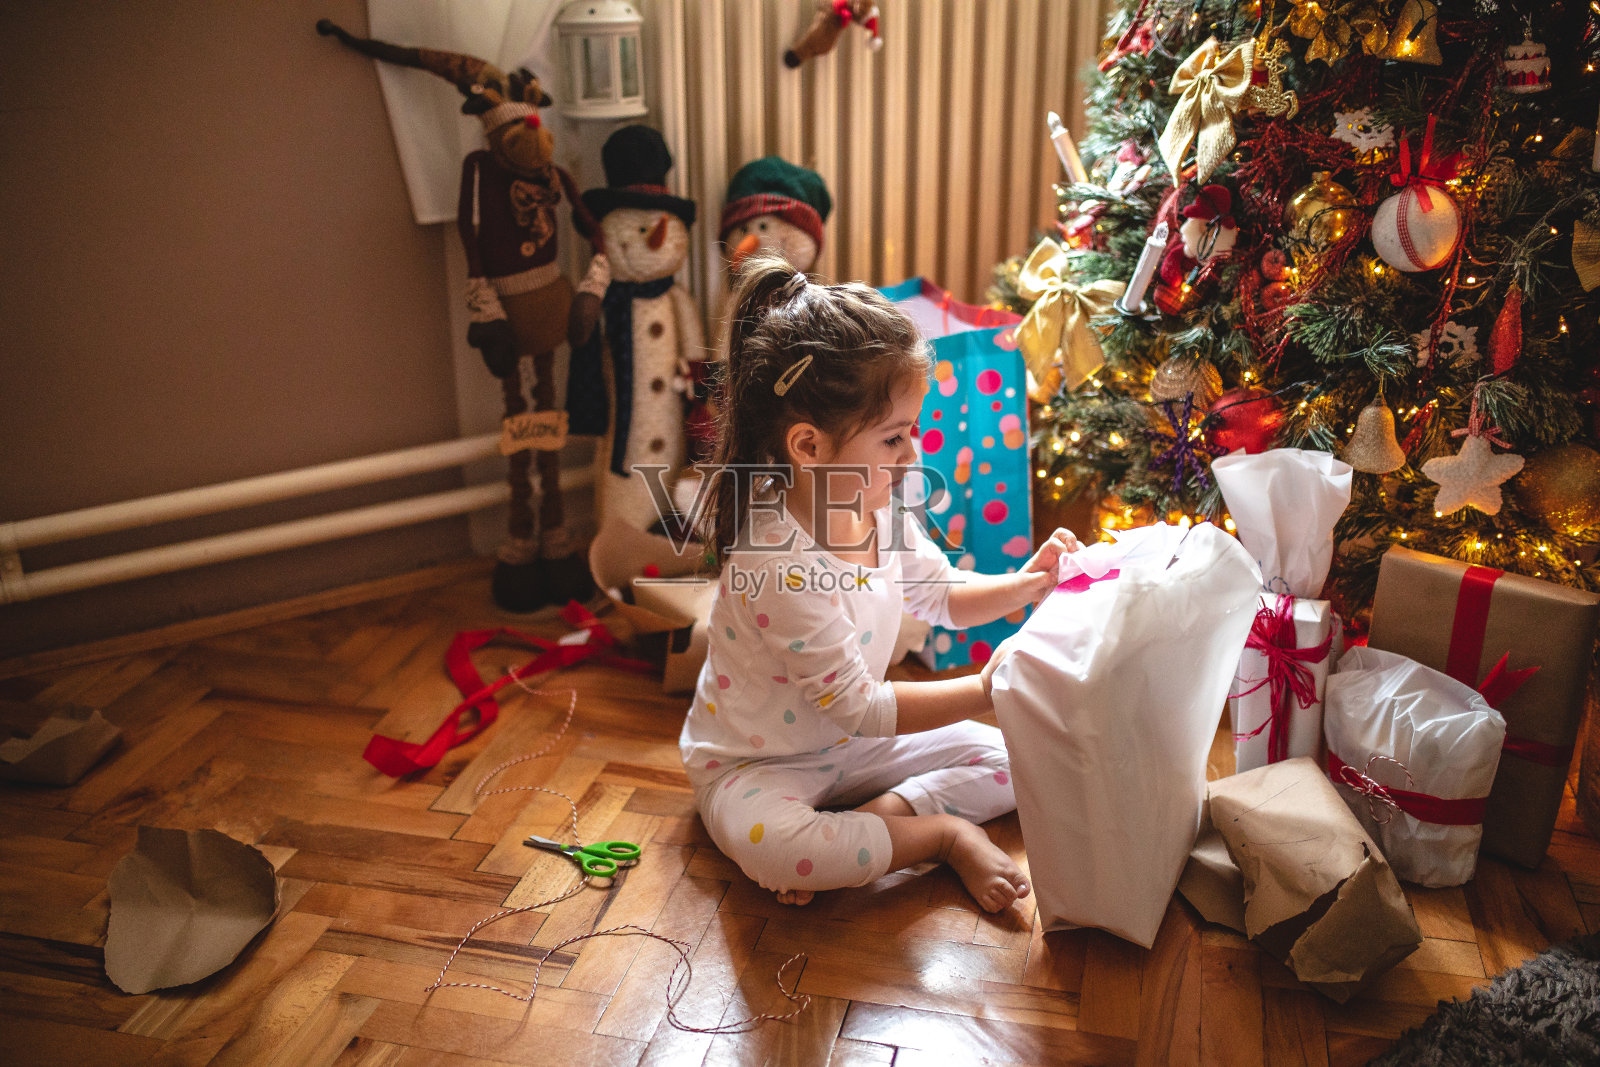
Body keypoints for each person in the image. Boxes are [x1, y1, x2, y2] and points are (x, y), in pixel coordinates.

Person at [680, 252, 1081, 912]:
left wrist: (1026, 583)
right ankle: (940, 835)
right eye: (894, 438)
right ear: (809, 447)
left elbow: (940, 593)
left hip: (854, 748)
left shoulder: (877, 510)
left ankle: (883, 818)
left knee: (1018, 762)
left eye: (911, 432)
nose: (913, 455)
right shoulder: (775, 563)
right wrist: (985, 690)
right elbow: (859, 706)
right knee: (781, 849)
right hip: (756, 764)